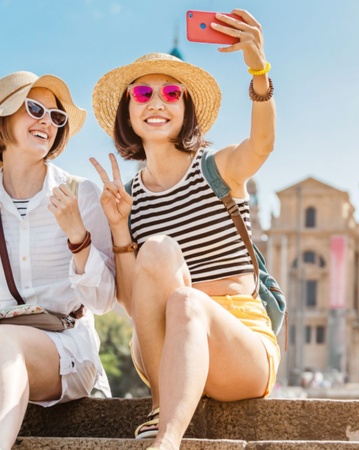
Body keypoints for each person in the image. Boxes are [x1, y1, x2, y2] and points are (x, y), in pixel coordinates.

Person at [90, 9, 279, 450]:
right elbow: (134, 304)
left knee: (189, 304)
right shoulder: (129, 196)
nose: (157, 102)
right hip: (164, 353)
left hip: (240, 348)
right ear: (128, 111)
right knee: (156, 253)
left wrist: (259, 70)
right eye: (142, 93)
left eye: (172, 93)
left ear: (187, 108)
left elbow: (263, 145)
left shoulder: (218, 169)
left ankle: (166, 441)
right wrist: (119, 229)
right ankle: (162, 408)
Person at [0, 71, 116, 449]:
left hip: (66, 347)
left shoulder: (81, 194)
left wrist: (77, 237)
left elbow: (104, 301)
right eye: (34, 108)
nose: (46, 121)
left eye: (56, 117)